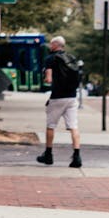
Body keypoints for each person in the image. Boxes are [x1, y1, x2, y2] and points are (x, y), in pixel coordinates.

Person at [36, 35, 82, 168]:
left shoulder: (50, 59)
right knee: (73, 126)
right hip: (72, 97)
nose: (50, 47)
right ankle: (77, 157)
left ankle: (48, 155)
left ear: (56, 45)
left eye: (51, 44)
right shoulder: (71, 58)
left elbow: (49, 79)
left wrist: (45, 78)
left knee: (51, 125)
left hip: (57, 97)